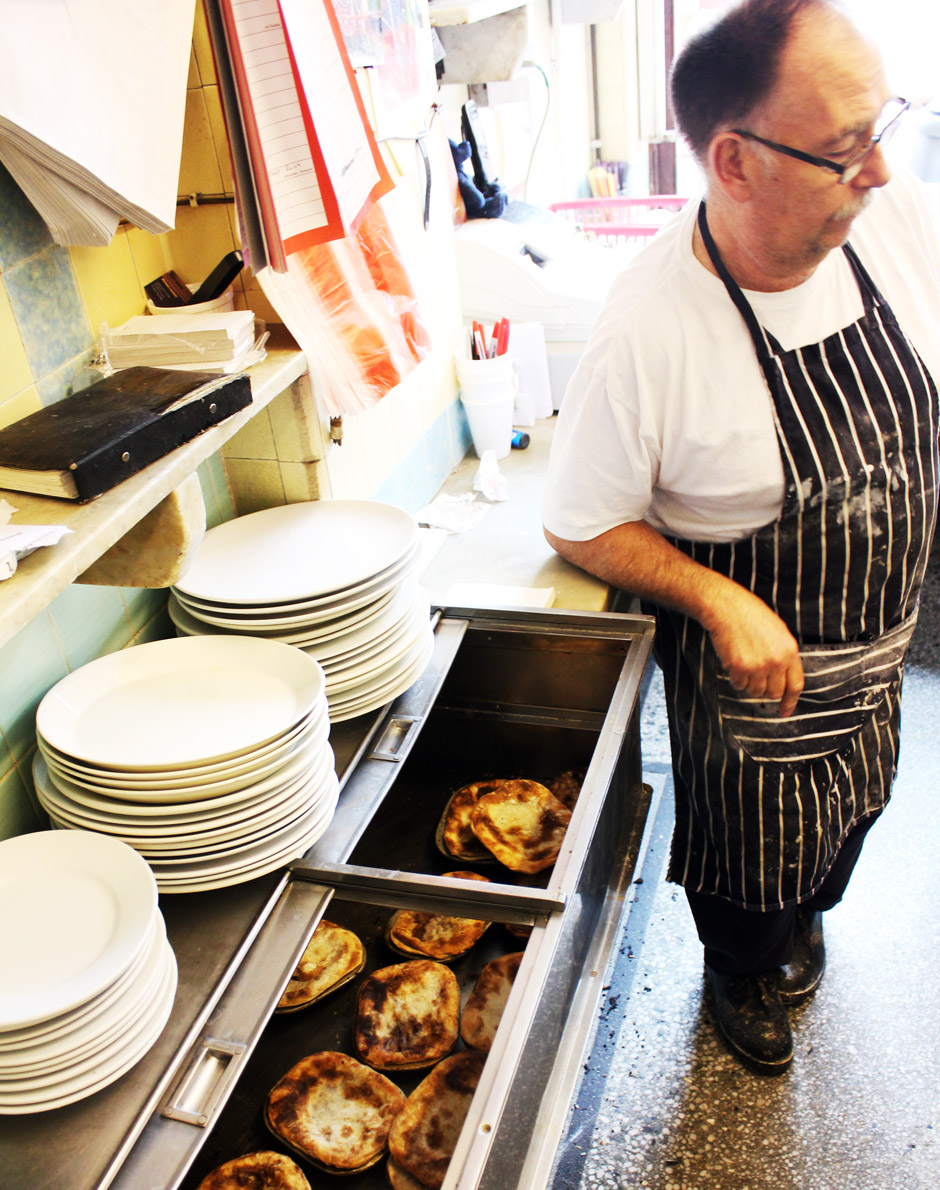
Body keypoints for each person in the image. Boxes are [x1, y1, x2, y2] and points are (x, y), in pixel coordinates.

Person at [542, 0, 940, 1076]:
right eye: (844, 150)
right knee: (751, 867)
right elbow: (581, 519)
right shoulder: (649, 329)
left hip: (877, 652)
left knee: (855, 810)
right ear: (734, 160)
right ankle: (738, 968)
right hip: (750, 692)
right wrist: (719, 599)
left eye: (881, 133)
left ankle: (806, 921)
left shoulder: (886, 222)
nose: (880, 176)